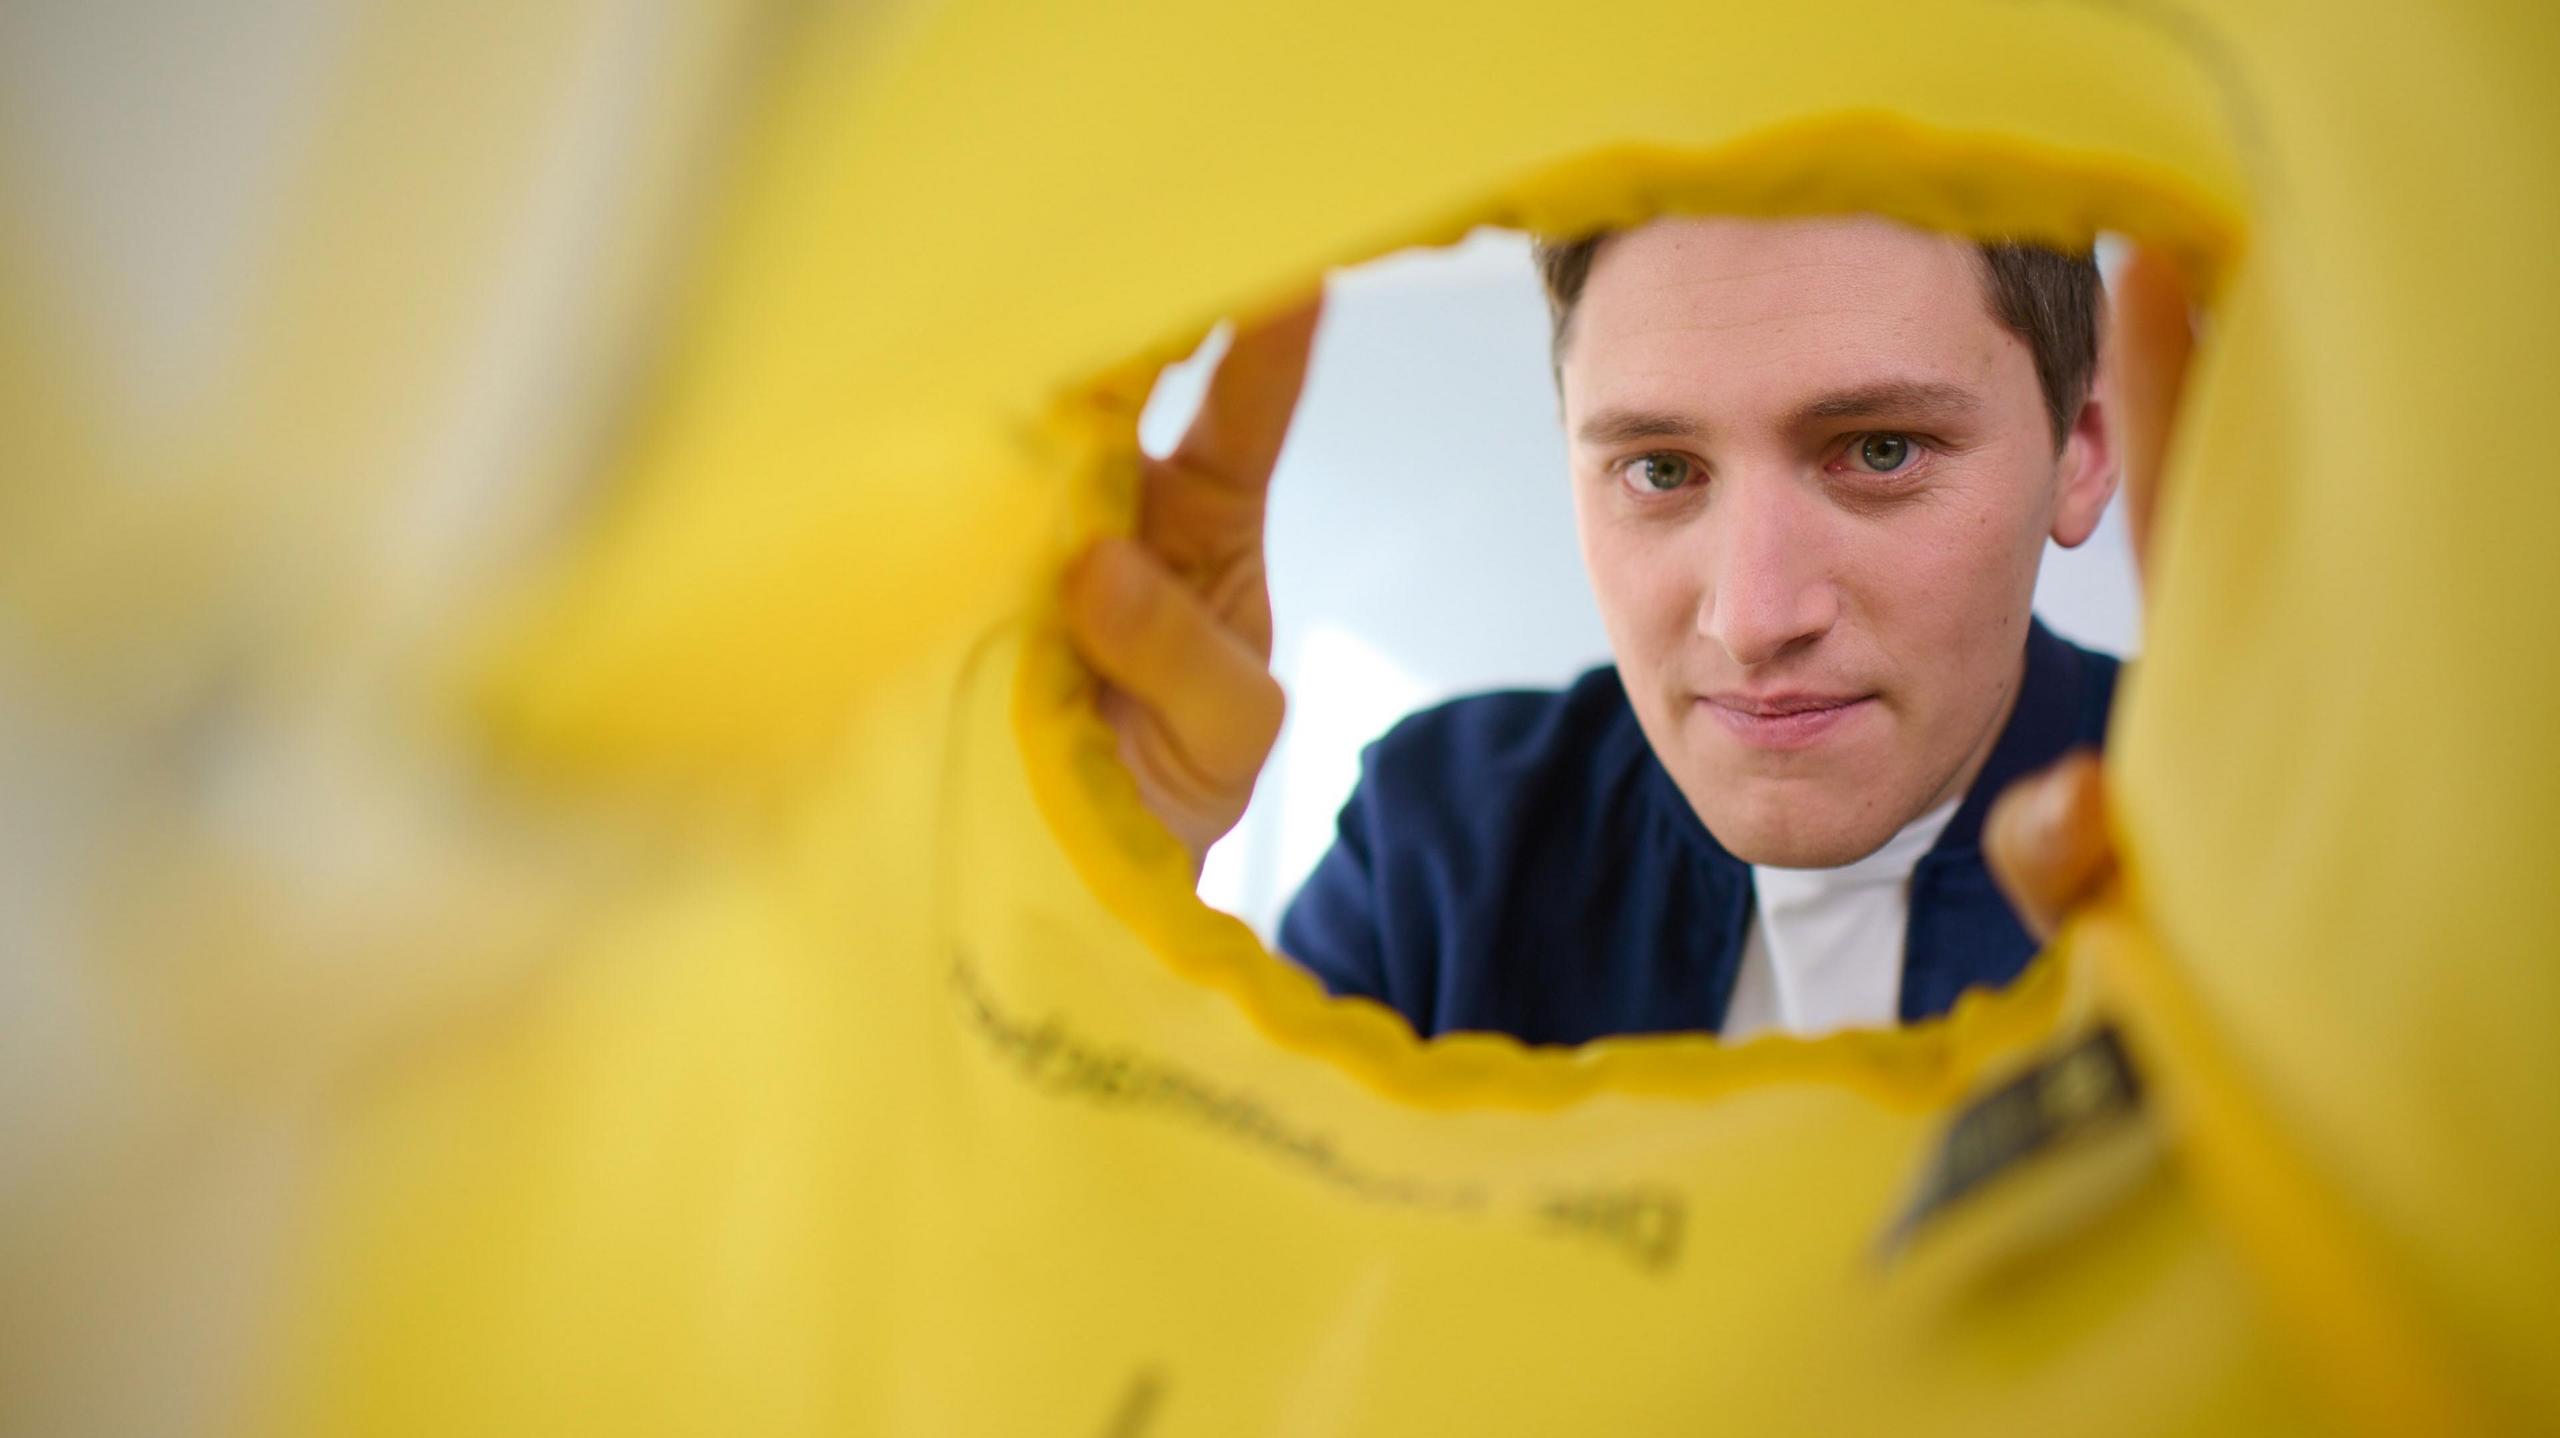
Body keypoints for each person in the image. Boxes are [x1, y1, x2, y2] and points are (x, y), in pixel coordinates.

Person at [1064, 215, 2180, 1046]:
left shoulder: (2242, 838)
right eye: (1658, 469)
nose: (1752, 620)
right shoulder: (1444, 846)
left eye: (1880, 450)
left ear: (2079, 443)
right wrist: (1093, 904)